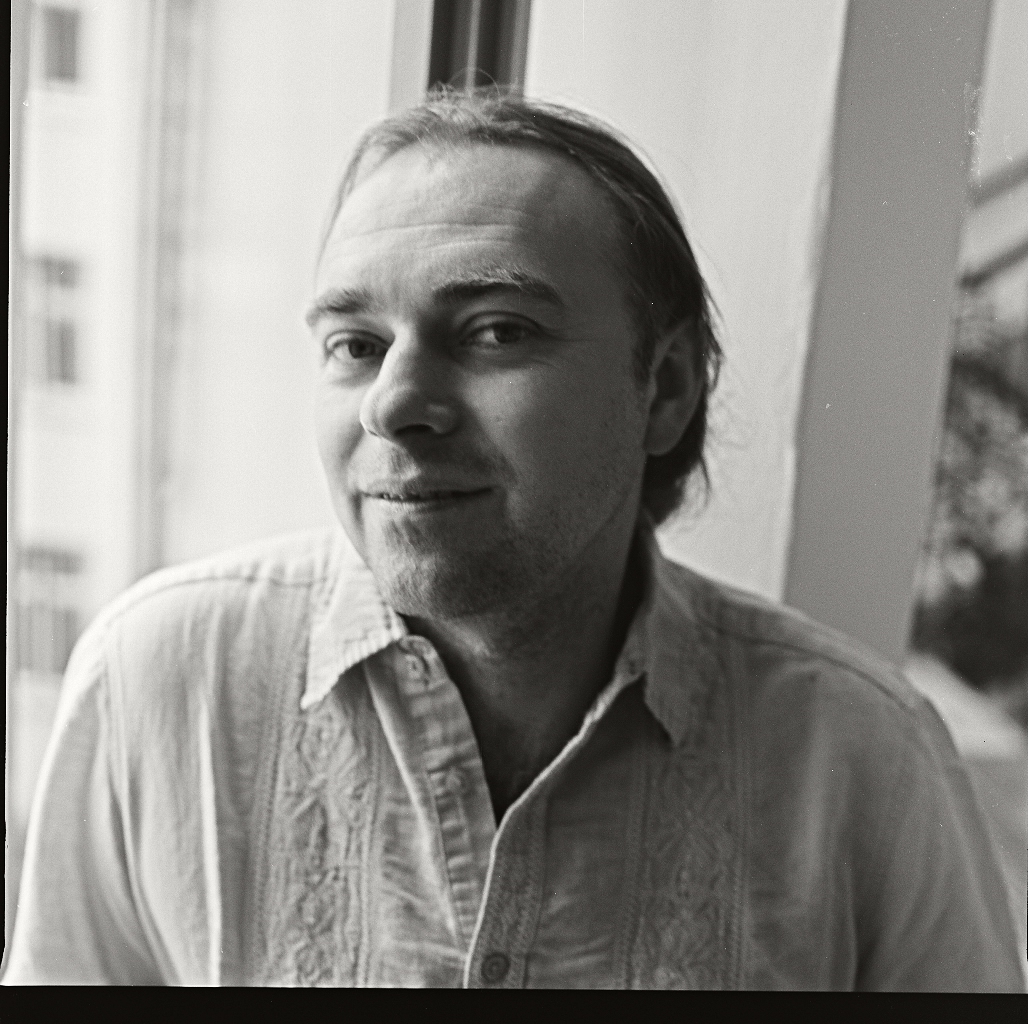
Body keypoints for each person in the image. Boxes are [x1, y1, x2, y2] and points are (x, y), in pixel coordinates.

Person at [4, 90, 1025, 989]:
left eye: (496, 330)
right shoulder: (159, 680)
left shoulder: (865, 758)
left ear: (665, 387)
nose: (392, 403)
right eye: (355, 345)